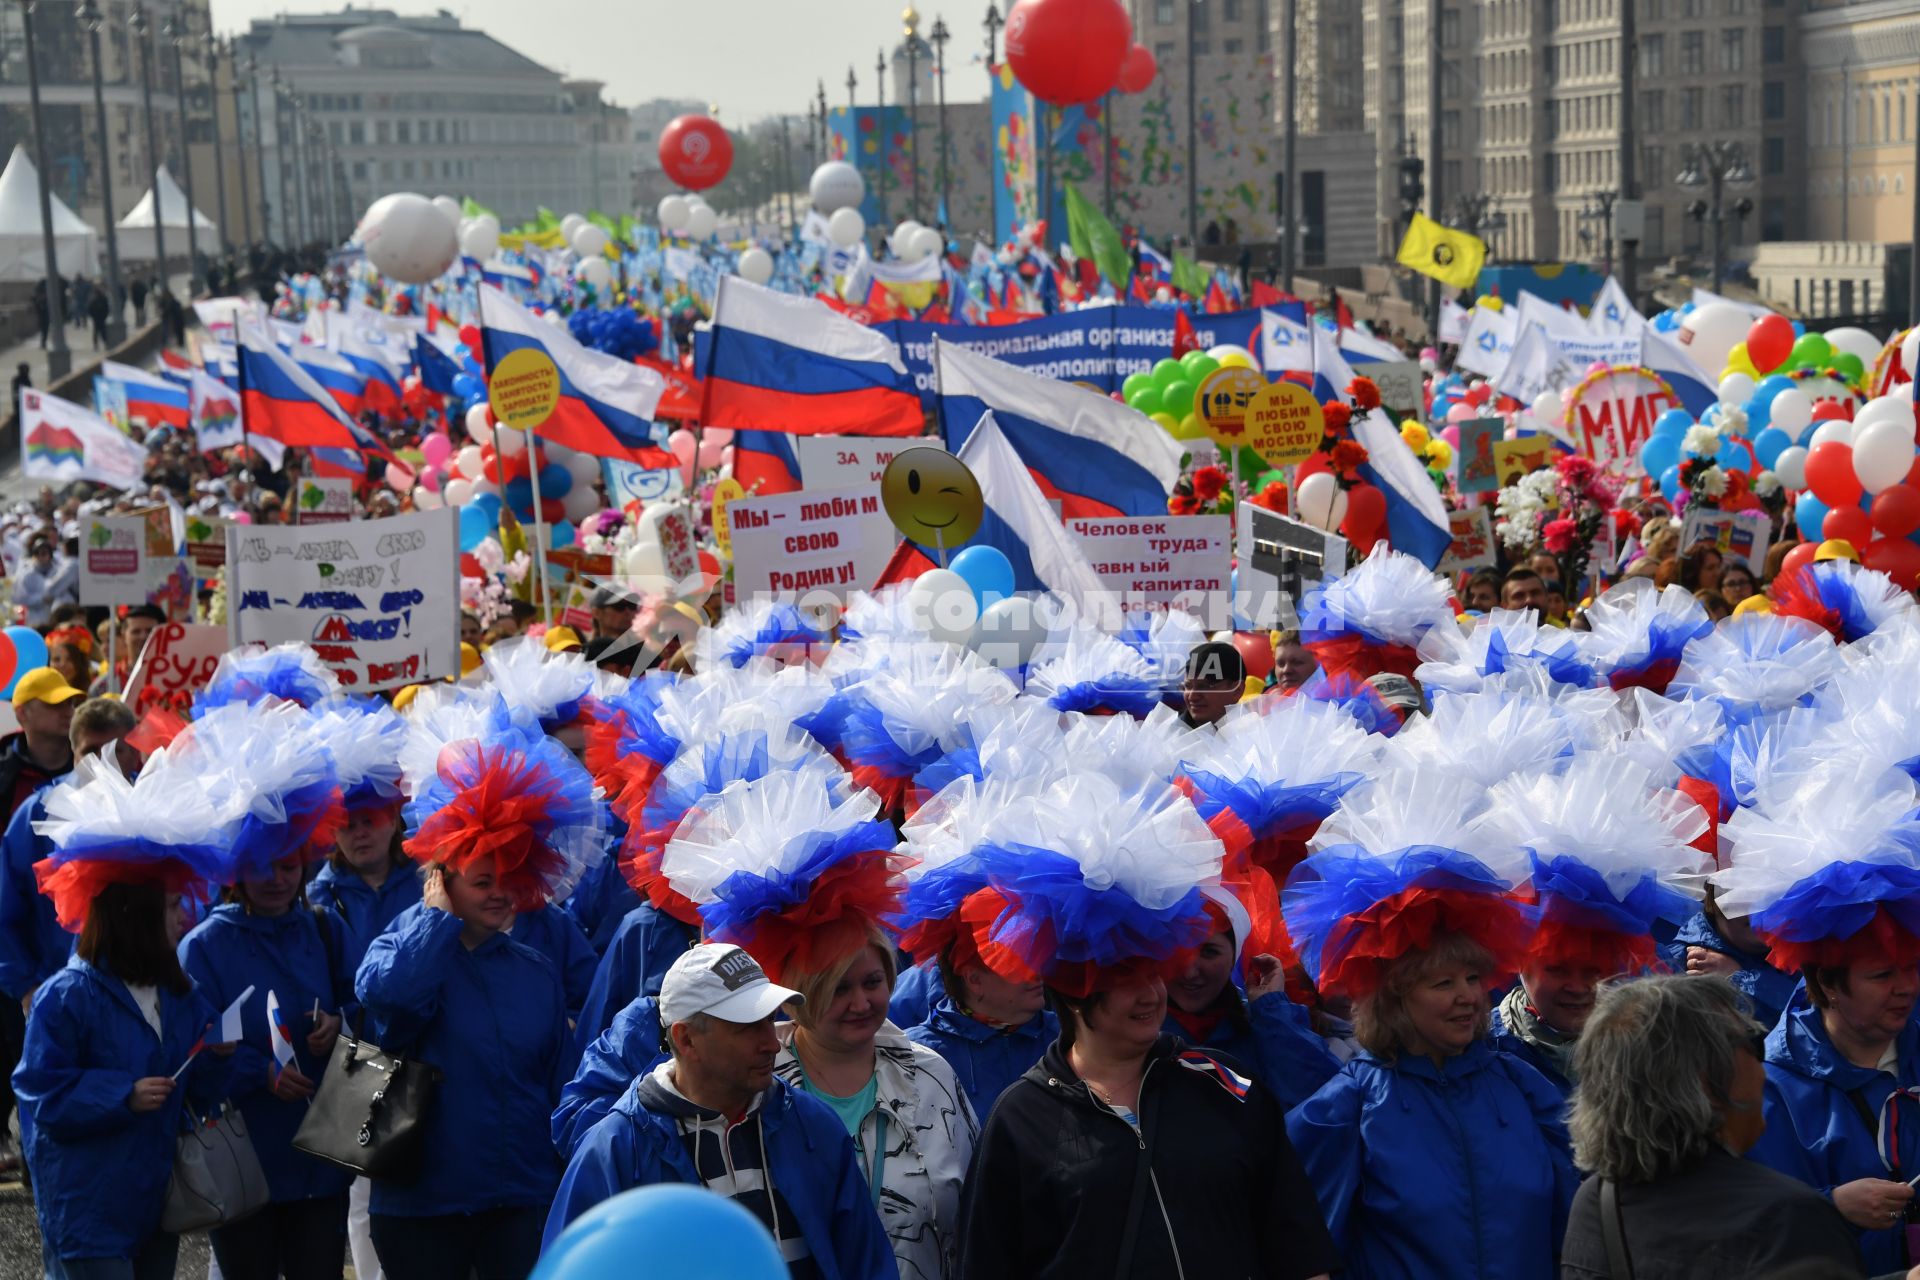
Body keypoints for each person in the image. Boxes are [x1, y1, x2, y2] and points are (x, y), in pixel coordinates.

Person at [951, 773, 1338, 1280]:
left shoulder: (1228, 1086)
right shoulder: (1021, 1117)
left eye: (1155, 972)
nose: (1152, 993)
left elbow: (1297, 1244)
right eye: (1125, 980)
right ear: (1075, 991)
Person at [1283, 784, 1578, 1279]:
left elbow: (1575, 1225)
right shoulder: (1346, 1108)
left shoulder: (1523, 1086)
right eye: (1443, 983)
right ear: (1395, 998)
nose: (1467, 996)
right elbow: (1311, 1252)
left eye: (1472, 979)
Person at [355, 721, 588, 1280]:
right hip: (421, 1206)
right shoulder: (402, 942)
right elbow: (392, 998)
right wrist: (435, 921)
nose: (501, 892)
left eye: (509, 877)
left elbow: (559, 1082)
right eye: (482, 882)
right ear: (442, 882)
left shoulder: (534, 971)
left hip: (520, 1200)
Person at [14, 747, 237, 1280]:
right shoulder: (67, 996)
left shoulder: (179, 991)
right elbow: (41, 1097)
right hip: (87, 1210)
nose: (186, 916)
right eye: (170, 907)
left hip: (151, 1205)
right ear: (132, 919)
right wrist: (122, 1094)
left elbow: (198, 1094)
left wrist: (217, 1058)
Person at [545, 945, 899, 1277]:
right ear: (685, 1039)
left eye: (768, 1020)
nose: (771, 1043)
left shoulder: (812, 1124)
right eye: (747, 1027)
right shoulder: (616, 1149)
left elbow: (866, 1264)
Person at [1714, 762, 1920, 1275]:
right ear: (1827, 984)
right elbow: (1750, 1227)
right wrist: (1833, 1207)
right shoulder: (1771, 1090)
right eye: (1882, 975)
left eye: (1913, 968)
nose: (1908, 987)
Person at [1560, 975, 1864, 1279]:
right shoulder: (1789, 1218)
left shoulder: (1597, 1201)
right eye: (1752, 1044)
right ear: (1707, 1081)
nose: (1764, 1070)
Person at [1482, 756, 1711, 1102]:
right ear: (1519, 961)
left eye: (1595, 971)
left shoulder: (1651, 1048)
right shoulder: (1480, 1051)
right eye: (1557, 968)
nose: (1577, 987)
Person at [178, 849, 350, 1280]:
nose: (277, 878)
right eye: (262, 864)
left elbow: (367, 1001)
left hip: (322, 1159)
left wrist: (340, 1022)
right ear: (237, 869)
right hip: (241, 1161)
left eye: (289, 865)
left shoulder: (326, 928)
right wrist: (259, 1073)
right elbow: (189, 1052)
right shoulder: (203, 946)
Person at [775, 930, 976, 1280]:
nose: (861, 1003)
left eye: (872, 982)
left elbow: (977, 1215)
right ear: (798, 995)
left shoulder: (931, 1074)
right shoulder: (762, 1086)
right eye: (839, 989)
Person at [0, 696, 139, 1177]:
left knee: (135, 1126)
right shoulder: (38, 813)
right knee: (58, 1132)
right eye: (88, 752)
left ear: (133, 752)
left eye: (112, 749)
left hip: (138, 999)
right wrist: (24, 985)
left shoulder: (158, 808)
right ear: (73, 752)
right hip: (54, 998)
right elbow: (6, 909)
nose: (100, 764)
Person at [1179, 640, 1245, 728]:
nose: (1192, 697)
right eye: (1187, 686)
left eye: (1204, 687)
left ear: (1237, 690)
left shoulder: (1259, 733)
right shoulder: (1165, 736)